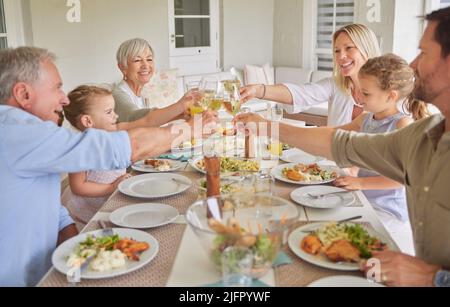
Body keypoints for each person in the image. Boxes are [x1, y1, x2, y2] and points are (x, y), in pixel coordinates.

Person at [235, 7, 450, 287]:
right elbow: (340, 142)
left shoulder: (404, 122)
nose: (413, 63)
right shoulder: (425, 134)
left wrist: (435, 278)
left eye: (423, 52)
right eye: (336, 50)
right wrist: (265, 123)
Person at [0, 47, 217, 287]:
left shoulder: (30, 135)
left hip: (48, 271)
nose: (64, 98)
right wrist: (190, 129)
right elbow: (125, 147)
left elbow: (54, 209)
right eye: (57, 88)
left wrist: (82, 249)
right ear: (23, 93)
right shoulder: (17, 131)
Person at [240, 24, 381, 126]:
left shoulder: (386, 90)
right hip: (333, 166)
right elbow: (301, 93)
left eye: (349, 48)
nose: (341, 56)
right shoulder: (335, 85)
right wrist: (258, 90)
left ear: (366, 49)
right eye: (337, 51)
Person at [112, 38, 192, 124]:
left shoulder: (141, 95)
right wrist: (180, 106)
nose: (146, 65)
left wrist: (182, 115)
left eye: (149, 59)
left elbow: (149, 123)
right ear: (123, 67)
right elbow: (136, 119)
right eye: (137, 60)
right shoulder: (117, 95)